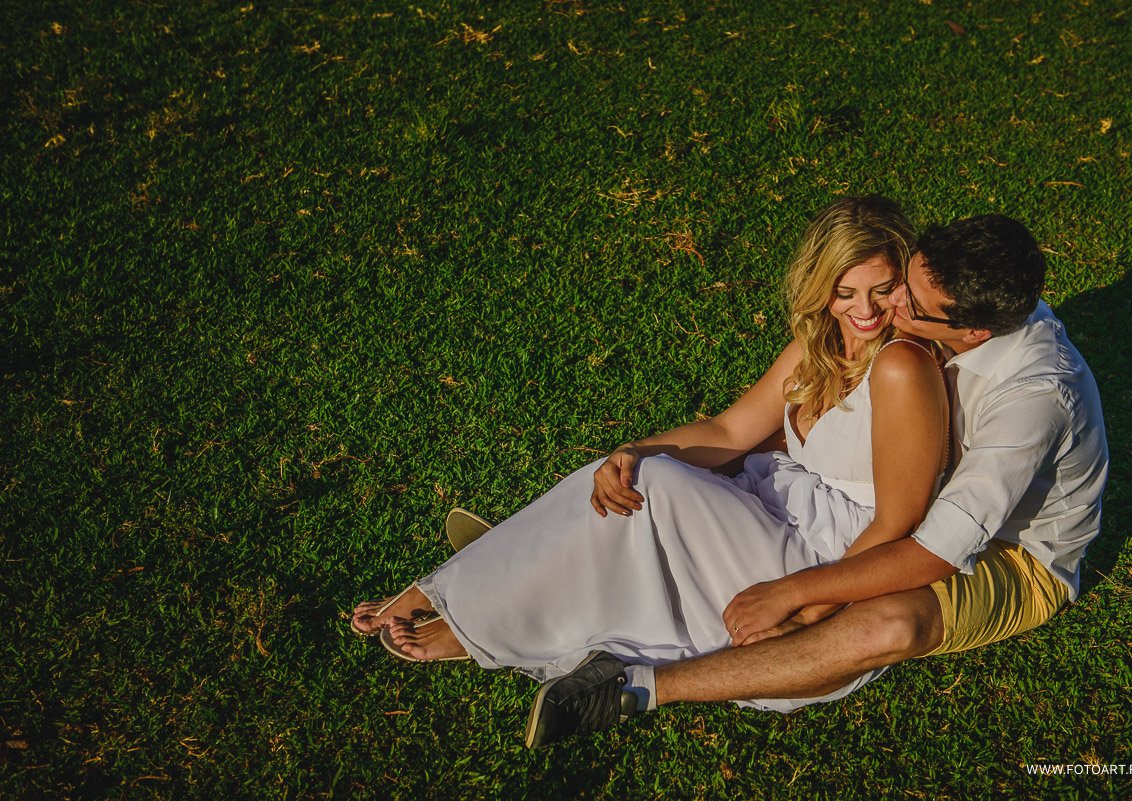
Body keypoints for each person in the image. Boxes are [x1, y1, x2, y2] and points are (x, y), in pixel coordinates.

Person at [349, 194, 949, 732]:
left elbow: (897, 524)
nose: (865, 310)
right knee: (626, 474)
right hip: (770, 515)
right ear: (819, 286)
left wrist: (805, 609)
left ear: (906, 280)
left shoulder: (901, 366)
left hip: (825, 559)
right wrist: (631, 449)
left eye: (882, 289)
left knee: (652, 488)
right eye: (845, 292)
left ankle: (467, 619)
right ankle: (499, 581)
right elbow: (729, 430)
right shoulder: (819, 344)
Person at [522, 213, 1109, 748]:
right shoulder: (966, 296)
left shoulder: (1032, 397)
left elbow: (938, 548)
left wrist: (802, 596)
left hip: (1015, 552)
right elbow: (740, 429)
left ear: (972, 332)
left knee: (890, 621)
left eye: (910, 304)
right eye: (905, 279)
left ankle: (637, 686)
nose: (891, 304)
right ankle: (571, 566)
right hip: (923, 496)